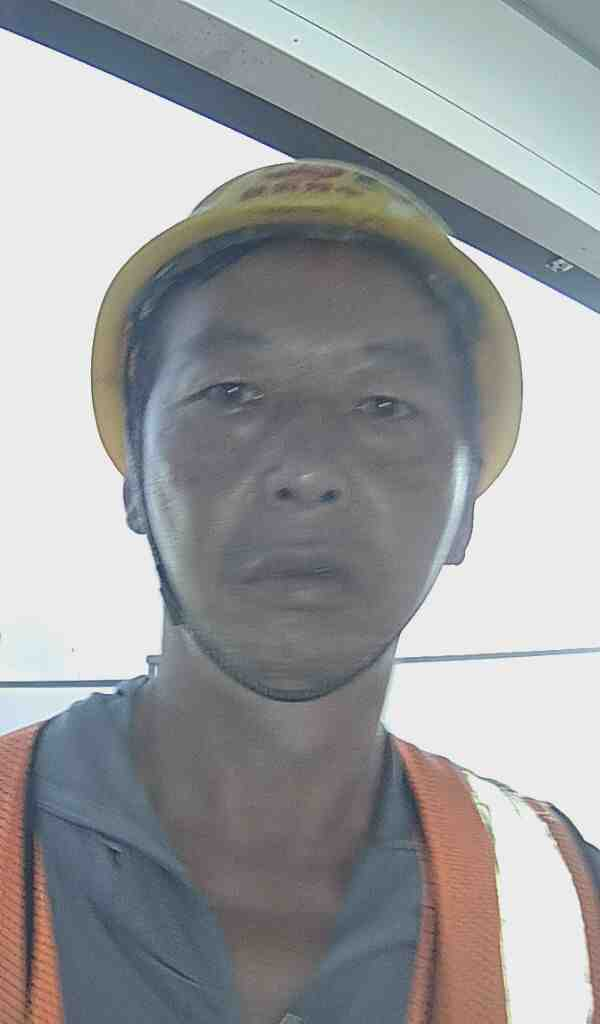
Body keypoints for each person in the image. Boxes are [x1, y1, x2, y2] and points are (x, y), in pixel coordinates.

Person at [1, 160, 598, 1024]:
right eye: (232, 394)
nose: (309, 468)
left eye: (384, 405)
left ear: (465, 510)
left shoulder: (569, 906)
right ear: (134, 479)